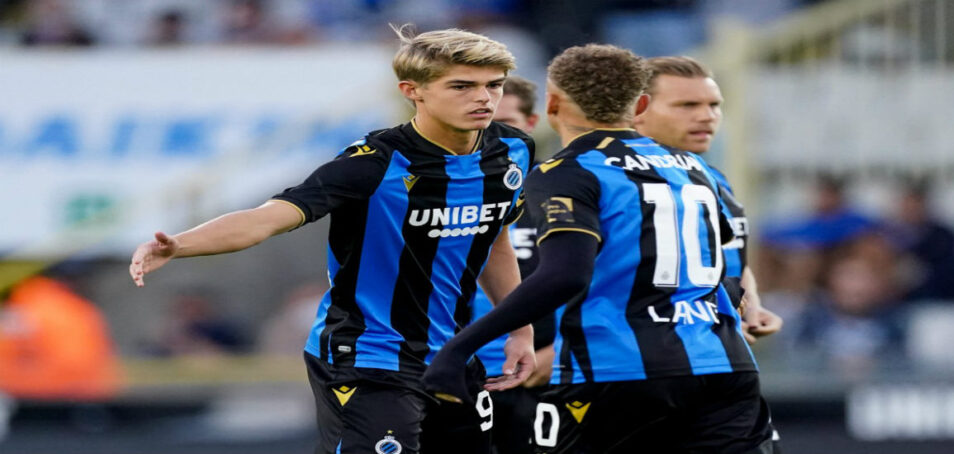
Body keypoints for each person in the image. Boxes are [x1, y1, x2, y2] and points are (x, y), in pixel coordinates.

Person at [130, 26, 537, 454]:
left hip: (455, 356)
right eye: (462, 86)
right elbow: (264, 219)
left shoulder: (513, 151)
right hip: (368, 358)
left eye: (494, 85)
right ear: (412, 91)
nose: (484, 98)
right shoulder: (373, 163)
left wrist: (520, 330)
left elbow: (494, 242)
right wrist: (179, 245)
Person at [424, 44, 775, 454]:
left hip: (618, 370)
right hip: (725, 366)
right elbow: (726, 267)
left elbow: (565, 275)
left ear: (552, 104)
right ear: (640, 105)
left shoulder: (567, 171)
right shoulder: (698, 170)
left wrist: (458, 349)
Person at [633, 56, 783, 344]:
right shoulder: (620, 182)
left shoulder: (712, 177)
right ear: (638, 109)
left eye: (714, 105)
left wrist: (751, 307)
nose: (707, 116)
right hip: (660, 351)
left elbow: (731, 256)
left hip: (716, 350)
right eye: (687, 105)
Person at [468, 75, 555, 454]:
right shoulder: (436, 190)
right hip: (455, 372)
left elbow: (608, 280)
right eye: (483, 123)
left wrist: (560, 352)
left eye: (506, 124)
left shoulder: (564, 192)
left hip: (543, 372)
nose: (493, 135)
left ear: (531, 123)